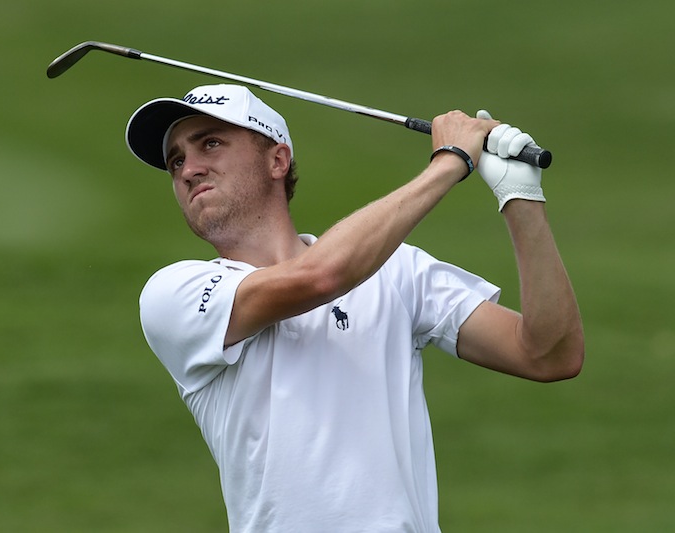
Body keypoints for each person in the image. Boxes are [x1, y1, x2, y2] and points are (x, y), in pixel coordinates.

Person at [125, 84, 584, 532]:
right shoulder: (176, 293)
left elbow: (549, 354)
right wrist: (450, 163)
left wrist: (521, 198)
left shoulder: (397, 270)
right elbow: (320, 277)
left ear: (277, 160)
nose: (189, 170)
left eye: (211, 144)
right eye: (176, 161)